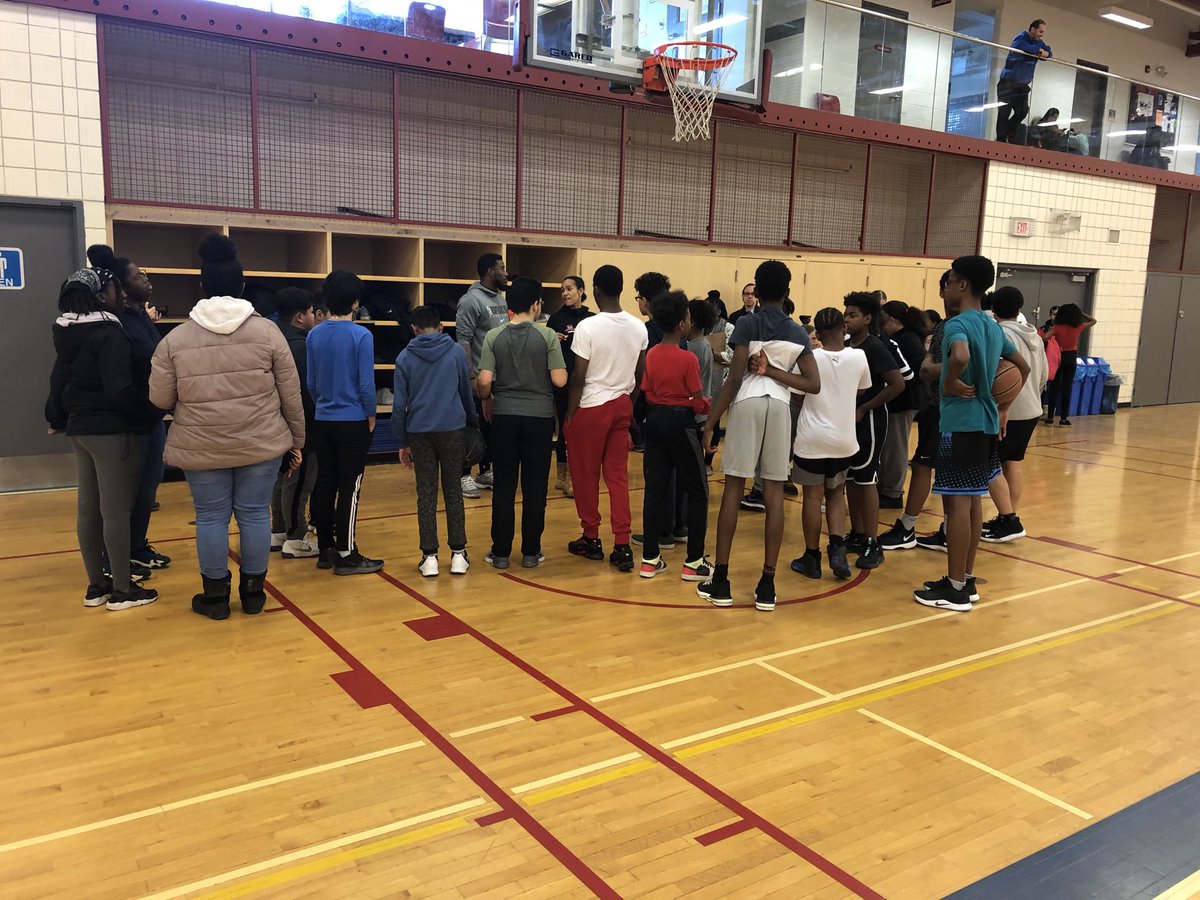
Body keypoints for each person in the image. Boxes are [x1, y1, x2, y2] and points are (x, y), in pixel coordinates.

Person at [149, 235, 305, 619]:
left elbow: (159, 400)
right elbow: (291, 395)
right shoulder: (269, 334)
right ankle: (253, 595)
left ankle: (215, 599)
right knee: (254, 514)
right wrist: (297, 441)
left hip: (200, 445)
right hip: (262, 442)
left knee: (211, 518)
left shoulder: (174, 339)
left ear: (201, 287)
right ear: (243, 287)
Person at [699, 260, 819, 611]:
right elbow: (813, 384)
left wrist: (710, 423)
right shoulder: (798, 332)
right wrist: (778, 372)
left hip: (749, 404)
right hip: (780, 409)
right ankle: (767, 584)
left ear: (758, 291)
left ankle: (721, 579)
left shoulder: (748, 323)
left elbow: (735, 379)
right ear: (787, 291)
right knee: (775, 495)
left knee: (734, 489)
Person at [914, 255, 1030, 612]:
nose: (946, 287)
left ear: (962, 285)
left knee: (956, 506)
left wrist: (949, 380)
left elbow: (960, 355)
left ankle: (956, 590)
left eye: (949, 281)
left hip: (961, 424)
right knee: (975, 501)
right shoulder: (993, 326)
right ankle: (966, 579)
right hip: (986, 423)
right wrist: (1003, 404)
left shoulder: (958, 324)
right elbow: (1022, 367)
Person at [46, 267, 159, 612]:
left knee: (88, 510)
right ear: (100, 296)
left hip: (79, 431)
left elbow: (57, 383)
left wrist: (57, 418)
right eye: (114, 289)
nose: (120, 294)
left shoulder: (67, 332)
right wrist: (151, 411)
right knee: (115, 512)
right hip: (111, 432)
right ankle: (123, 590)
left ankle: (96, 586)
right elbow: (119, 389)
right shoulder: (109, 332)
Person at [85, 244, 171, 574]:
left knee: (148, 487)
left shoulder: (139, 317)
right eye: (137, 276)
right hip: (131, 419)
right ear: (121, 286)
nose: (145, 279)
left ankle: (136, 546)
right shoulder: (117, 323)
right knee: (127, 492)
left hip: (152, 416)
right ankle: (113, 558)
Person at [477, 276, 568, 569]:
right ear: (536, 305)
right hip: (539, 419)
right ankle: (531, 551)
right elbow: (559, 379)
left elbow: (483, 381)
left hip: (504, 416)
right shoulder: (548, 336)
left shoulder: (494, 336)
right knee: (535, 486)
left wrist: (486, 398)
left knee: (504, 485)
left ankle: (500, 552)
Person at [565, 265, 648, 572]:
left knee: (585, 476)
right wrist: (630, 401)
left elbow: (578, 376)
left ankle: (591, 537)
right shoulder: (638, 327)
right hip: (621, 405)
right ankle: (623, 545)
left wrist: (570, 415)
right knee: (618, 478)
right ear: (622, 288)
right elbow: (640, 374)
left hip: (591, 407)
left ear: (595, 290)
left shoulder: (588, 327)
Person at [306, 270, 383, 575]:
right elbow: (366, 383)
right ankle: (347, 552)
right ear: (355, 302)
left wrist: (324, 404)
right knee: (350, 486)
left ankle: (325, 548)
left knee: (325, 482)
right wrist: (371, 413)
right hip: (352, 420)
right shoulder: (361, 335)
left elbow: (311, 382)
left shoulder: (315, 334)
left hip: (323, 418)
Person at [786, 308, 870, 581]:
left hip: (812, 439)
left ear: (817, 333)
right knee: (837, 494)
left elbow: (797, 397)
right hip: (844, 440)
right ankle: (837, 548)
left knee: (812, 497)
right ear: (844, 328)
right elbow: (861, 390)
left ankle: (811, 557)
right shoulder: (859, 356)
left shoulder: (810, 358)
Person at [393, 305, 476, 577]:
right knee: (453, 490)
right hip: (453, 428)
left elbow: (400, 405)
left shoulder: (405, 357)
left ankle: (429, 557)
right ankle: (458, 555)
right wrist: (473, 425)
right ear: (441, 327)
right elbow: (466, 392)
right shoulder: (455, 352)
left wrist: (401, 440)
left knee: (425, 494)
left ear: (414, 329)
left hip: (419, 431)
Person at [638, 291, 712, 580]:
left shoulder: (653, 353)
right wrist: (705, 405)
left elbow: (646, 389)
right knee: (698, 491)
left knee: (655, 490)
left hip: (654, 421)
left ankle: (649, 559)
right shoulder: (688, 358)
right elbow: (696, 397)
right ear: (682, 323)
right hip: (681, 423)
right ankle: (694, 562)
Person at [880, 271, 955, 553]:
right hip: (955, 411)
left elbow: (924, 370)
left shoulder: (950, 328)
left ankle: (908, 527)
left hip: (939, 407)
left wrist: (936, 370)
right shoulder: (987, 326)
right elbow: (1015, 366)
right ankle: (948, 530)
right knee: (952, 474)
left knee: (922, 465)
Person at [843, 292, 904, 569]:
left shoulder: (875, 347)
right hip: (848, 420)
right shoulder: (846, 345)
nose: (846, 318)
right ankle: (857, 534)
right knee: (851, 479)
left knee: (866, 479)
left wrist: (866, 407)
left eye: (852, 314)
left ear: (868, 318)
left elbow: (898, 384)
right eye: (846, 313)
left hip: (870, 419)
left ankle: (872, 542)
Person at [983, 286, 1048, 543]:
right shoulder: (1034, 334)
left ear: (993, 309)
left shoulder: (998, 333)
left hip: (1007, 410)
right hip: (1032, 408)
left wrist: (1003, 406)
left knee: (989, 464)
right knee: (1013, 463)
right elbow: (1042, 375)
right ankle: (1006, 516)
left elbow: (996, 373)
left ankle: (1009, 519)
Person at [269, 288, 320, 559]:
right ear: (300, 317)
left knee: (281, 477)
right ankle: (295, 536)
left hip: (275, 423)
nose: (314, 317)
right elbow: (304, 393)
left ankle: (278, 530)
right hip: (300, 425)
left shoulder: (273, 338)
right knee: (299, 481)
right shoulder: (301, 346)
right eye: (312, 312)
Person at [456, 253, 509, 497]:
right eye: (502, 268)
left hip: (498, 376)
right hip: (477, 376)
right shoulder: (471, 300)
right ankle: (463, 474)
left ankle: (485, 472)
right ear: (490, 272)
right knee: (471, 427)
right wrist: (470, 378)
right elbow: (464, 342)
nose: (505, 272)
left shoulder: (500, 299)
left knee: (491, 427)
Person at [878, 301, 928, 510]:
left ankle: (893, 492)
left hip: (905, 401)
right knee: (889, 447)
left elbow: (917, 372)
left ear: (891, 319)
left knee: (895, 448)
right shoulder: (902, 338)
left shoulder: (907, 340)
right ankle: (886, 487)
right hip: (900, 400)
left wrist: (898, 387)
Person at [547, 275, 593, 499]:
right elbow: (546, 351)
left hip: (585, 382)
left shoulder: (592, 318)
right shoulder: (555, 319)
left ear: (581, 291)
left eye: (569, 289)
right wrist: (551, 340)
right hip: (563, 382)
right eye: (562, 290)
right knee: (565, 426)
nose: (565, 293)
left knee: (580, 430)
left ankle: (575, 475)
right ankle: (562, 475)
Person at [995, 19, 1052, 143]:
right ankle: (1000, 139)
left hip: (1022, 85)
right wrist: (1040, 52)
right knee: (1004, 112)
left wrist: (1045, 53)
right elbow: (1021, 47)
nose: (1041, 34)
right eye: (1040, 31)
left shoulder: (1039, 42)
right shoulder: (1021, 38)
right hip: (1008, 83)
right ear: (1032, 29)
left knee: (1022, 111)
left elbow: (1049, 51)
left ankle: (1009, 130)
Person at [1044, 302, 1096, 426]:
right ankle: (1063, 418)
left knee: (1054, 387)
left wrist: (1053, 343)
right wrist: (1081, 313)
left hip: (1058, 357)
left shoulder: (1056, 327)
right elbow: (1093, 320)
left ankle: (1050, 417)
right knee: (1067, 387)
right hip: (1071, 356)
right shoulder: (1078, 326)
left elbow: (1045, 337)